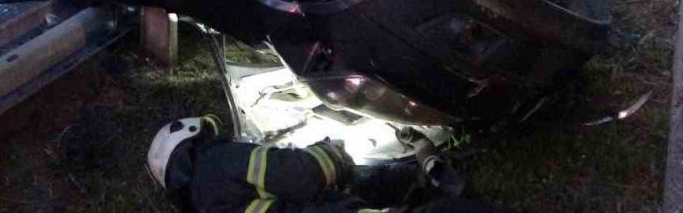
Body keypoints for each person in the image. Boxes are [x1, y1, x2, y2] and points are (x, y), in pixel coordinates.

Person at [147, 116, 495, 213]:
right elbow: (301, 175)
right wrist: (333, 152)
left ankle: (422, 179)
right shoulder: (215, 163)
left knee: (384, 182)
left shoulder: (204, 202)